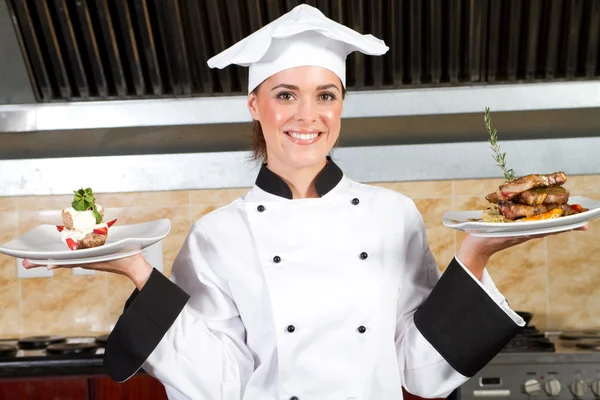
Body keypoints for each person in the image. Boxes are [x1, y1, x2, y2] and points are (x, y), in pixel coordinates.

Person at [23, 4, 587, 400]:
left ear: (341, 105)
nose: (307, 116)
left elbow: (420, 371)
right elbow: (220, 385)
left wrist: (476, 257)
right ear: (255, 105)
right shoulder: (218, 234)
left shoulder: (394, 216)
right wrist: (136, 272)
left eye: (326, 96)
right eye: (285, 95)